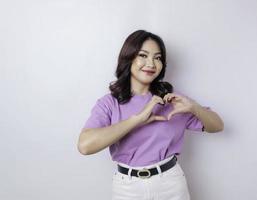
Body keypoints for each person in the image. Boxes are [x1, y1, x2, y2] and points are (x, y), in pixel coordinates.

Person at [77, 30, 224, 200]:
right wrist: (137, 120)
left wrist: (194, 107)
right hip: (127, 187)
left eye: (158, 58)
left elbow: (217, 126)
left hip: (170, 184)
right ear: (129, 58)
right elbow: (85, 146)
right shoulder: (110, 103)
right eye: (143, 55)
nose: (151, 63)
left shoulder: (172, 100)